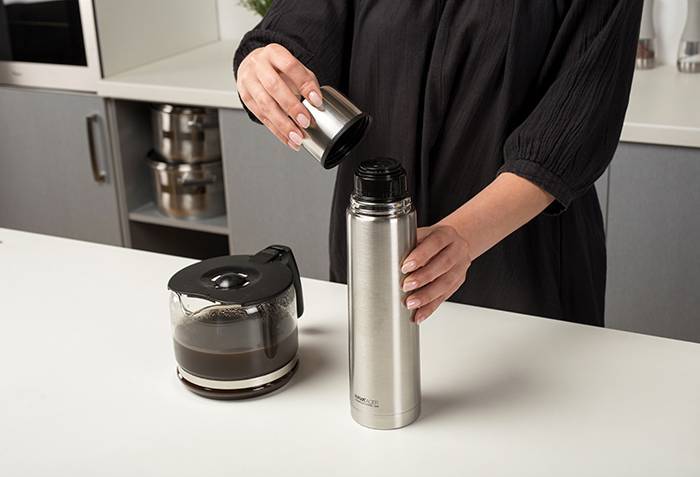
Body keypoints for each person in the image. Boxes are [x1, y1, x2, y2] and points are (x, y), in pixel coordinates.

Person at [233, 0, 643, 326]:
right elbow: (300, 29)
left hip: (523, 271)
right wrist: (263, 66)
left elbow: (573, 126)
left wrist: (461, 238)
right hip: (377, 248)